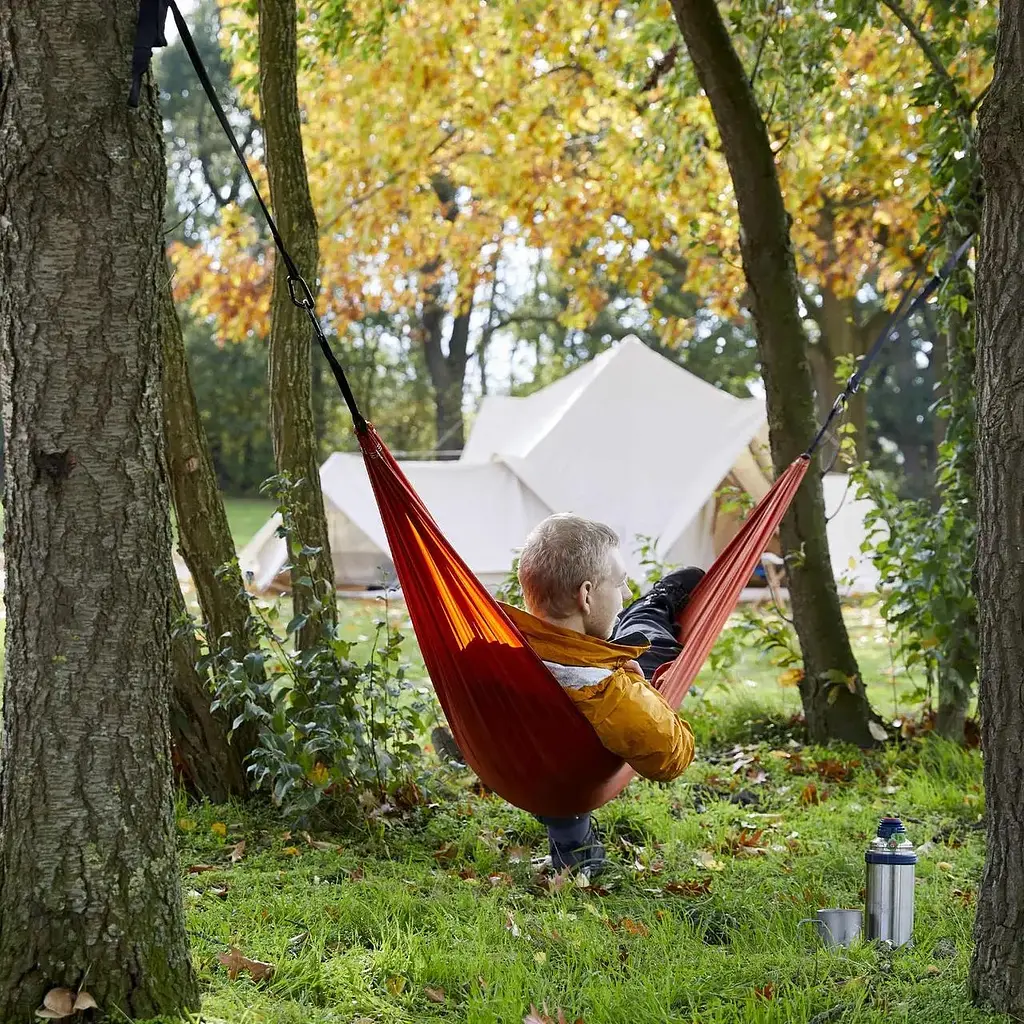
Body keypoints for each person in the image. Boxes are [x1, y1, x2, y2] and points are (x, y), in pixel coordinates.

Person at [509, 513, 705, 875]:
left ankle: (575, 850)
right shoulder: (611, 692)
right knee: (649, 635)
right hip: (604, 683)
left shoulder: (492, 655)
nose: (625, 590)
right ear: (586, 595)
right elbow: (672, 759)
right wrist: (638, 685)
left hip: (536, 754)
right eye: (619, 583)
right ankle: (653, 606)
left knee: (619, 631)